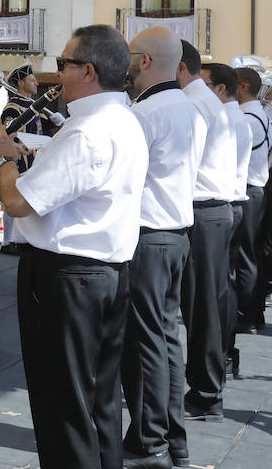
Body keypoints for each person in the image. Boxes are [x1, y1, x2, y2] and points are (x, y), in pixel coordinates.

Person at [0, 25, 146, 469]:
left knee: (63, 407)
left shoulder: (86, 131)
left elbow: (16, 203)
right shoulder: (121, 120)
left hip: (68, 280)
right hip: (103, 275)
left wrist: (6, 158)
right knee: (98, 401)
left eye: (63, 64)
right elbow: (44, 197)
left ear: (87, 71)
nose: (58, 75)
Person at [120, 26, 199, 469]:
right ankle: (173, 438)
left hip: (150, 238)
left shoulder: (146, 113)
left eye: (131, 55)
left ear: (145, 61)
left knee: (148, 343)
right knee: (167, 339)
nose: (127, 64)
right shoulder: (187, 107)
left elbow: (123, 176)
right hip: (175, 236)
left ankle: (150, 438)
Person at [176, 40, 238, 422]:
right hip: (213, 210)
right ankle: (208, 386)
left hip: (204, 210)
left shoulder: (196, 103)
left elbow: (182, 163)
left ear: (179, 67)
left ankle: (205, 392)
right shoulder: (205, 101)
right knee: (206, 304)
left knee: (200, 307)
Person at [203, 63, 252, 377]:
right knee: (222, 287)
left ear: (221, 89)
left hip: (226, 205)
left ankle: (221, 355)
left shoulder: (230, 119)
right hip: (231, 204)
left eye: (205, 84)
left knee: (217, 291)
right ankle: (224, 354)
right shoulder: (234, 117)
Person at [0, 64, 51, 257]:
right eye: (31, 79)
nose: (36, 82)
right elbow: (11, 134)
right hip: (21, 157)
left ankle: (21, 237)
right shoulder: (13, 107)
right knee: (15, 197)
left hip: (34, 157)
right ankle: (8, 240)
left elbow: (44, 127)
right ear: (20, 83)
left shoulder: (32, 104)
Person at [233, 67, 269, 335]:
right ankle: (252, 312)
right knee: (251, 254)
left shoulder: (247, 118)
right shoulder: (258, 113)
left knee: (245, 257)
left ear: (243, 86)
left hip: (248, 190)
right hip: (255, 190)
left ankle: (246, 314)